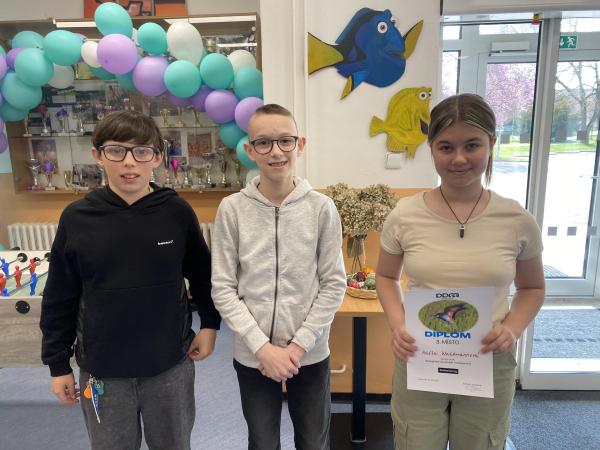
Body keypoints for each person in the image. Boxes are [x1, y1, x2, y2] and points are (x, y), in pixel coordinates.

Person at [40, 110, 220, 450]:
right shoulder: (77, 218)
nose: (129, 162)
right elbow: (60, 296)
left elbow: (202, 273)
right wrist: (57, 364)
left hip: (169, 367)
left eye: (141, 151)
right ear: (97, 155)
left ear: (157, 157)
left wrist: (210, 324)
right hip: (102, 372)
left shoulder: (176, 212)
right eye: (116, 150)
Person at [376, 93, 545, 450]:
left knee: (481, 443)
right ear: (431, 148)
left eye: (472, 145)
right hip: (420, 356)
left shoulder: (516, 219)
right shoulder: (404, 215)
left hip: (489, 357)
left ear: (491, 143)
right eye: (446, 147)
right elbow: (387, 278)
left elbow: (532, 288)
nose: (459, 158)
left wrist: (512, 329)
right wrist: (398, 324)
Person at [211, 103, 347, 450]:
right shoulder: (232, 210)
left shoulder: (321, 209)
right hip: (253, 353)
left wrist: (298, 346)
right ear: (249, 150)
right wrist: (263, 348)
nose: (275, 152)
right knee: (262, 441)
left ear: (300, 145)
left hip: (309, 353)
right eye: (264, 143)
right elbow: (223, 287)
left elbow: (333, 283)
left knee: (313, 441)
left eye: (285, 141)